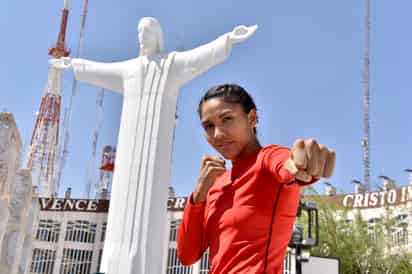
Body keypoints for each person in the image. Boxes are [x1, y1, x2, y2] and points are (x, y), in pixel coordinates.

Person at [50, 18, 257, 274]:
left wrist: (227, 39)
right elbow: (99, 70)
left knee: (148, 213)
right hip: (128, 152)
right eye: (139, 32)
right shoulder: (129, 69)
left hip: (154, 157)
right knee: (120, 216)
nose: (142, 36)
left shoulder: (170, 64)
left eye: (146, 31)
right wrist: (73, 65)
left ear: (157, 35)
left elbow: (199, 57)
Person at [177, 84, 335, 274]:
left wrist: (303, 164)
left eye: (226, 119)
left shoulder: (266, 160)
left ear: (251, 118)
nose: (217, 134)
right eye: (209, 126)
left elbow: (287, 165)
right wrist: (198, 194)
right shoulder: (216, 186)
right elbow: (187, 256)